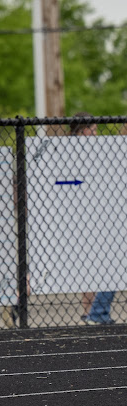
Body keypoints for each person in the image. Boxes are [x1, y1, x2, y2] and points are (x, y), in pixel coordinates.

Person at [69, 113, 116, 325]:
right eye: (93, 130)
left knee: (90, 267)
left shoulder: (94, 153)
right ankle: (96, 313)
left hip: (91, 219)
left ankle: (92, 314)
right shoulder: (74, 153)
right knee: (109, 263)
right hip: (77, 219)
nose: (96, 134)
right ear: (83, 130)